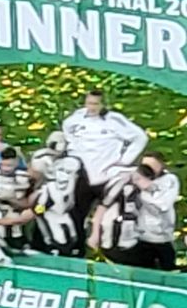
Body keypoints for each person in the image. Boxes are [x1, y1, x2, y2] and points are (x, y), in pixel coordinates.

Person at [62, 90, 148, 220]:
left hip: (108, 173)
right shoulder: (74, 120)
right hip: (83, 174)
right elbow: (69, 138)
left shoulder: (115, 120)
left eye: (96, 104)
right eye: (89, 103)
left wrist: (125, 160)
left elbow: (140, 138)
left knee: (110, 216)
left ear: (103, 104)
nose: (92, 107)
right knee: (76, 212)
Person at [88, 164, 155, 267]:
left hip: (134, 240)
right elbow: (101, 209)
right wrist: (95, 234)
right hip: (113, 237)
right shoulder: (119, 187)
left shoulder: (147, 191)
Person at [0, 148, 35, 253]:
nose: (6, 169)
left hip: (16, 229)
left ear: (16, 162)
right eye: (3, 165)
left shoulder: (26, 178)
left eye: (10, 166)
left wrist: (10, 198)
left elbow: (31, 204)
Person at [134, 152, 179, 271]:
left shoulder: (169, 180)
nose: (148, 169)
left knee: (167, 271)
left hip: (162, 237)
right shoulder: (135, 178)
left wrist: (144, 190)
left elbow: (163, 205)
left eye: (152, 166)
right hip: (140, 236)